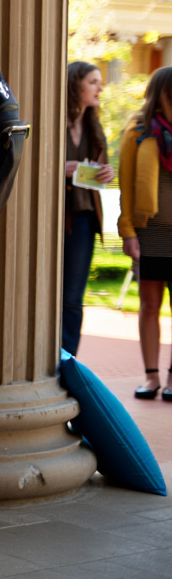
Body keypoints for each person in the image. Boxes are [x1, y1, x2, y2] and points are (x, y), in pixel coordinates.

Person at [118, 66, 172, 400]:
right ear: (162, 92)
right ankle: (151, 377)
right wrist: (128, 232)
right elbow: (125, 183)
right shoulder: (138, 129)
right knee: (149, 304)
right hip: (150, 232)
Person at [62, 61, 114, 356]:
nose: (100, 88)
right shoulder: (54, 120)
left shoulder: (95, 126)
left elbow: (99, 173)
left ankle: (68, 362)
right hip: (53, 217)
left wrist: (104, 174)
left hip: (83, 219)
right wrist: (61, 169)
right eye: (93, 82)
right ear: (76, 84)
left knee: (72, 298)